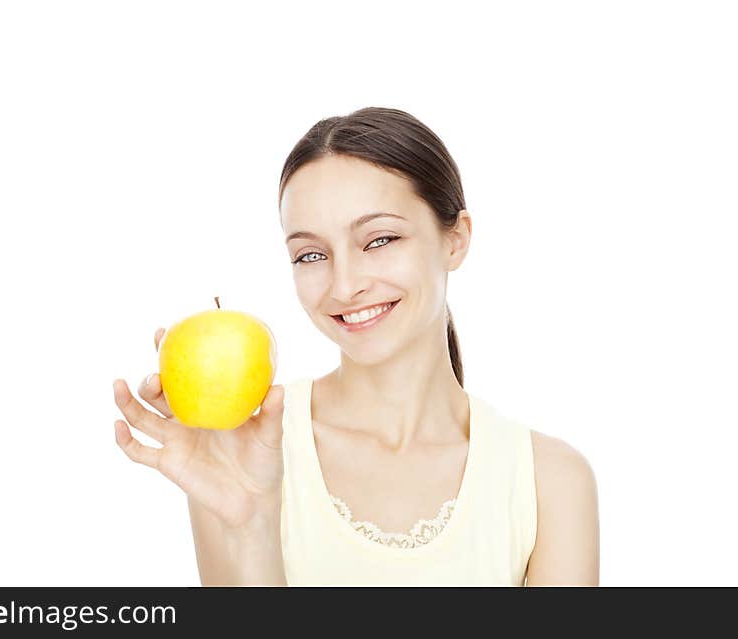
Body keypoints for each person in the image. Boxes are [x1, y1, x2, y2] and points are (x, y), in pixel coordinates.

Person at [112, 106, 600, 586]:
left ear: (455, 239)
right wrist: (249, 525)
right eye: (312, 254)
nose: (344, 286)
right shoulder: (243, 450)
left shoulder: (549, 483)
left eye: (379, 240)